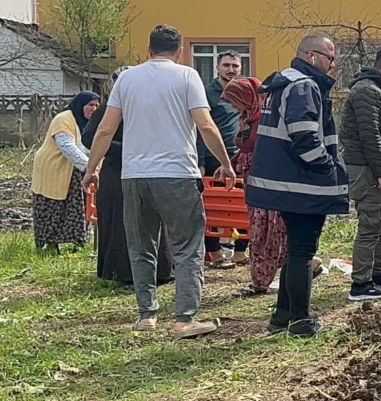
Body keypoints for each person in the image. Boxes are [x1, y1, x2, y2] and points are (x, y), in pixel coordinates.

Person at [83, 24, 237, 338]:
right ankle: (184, 319)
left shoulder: (126, 78)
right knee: (187, 248)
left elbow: (104, 130)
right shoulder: (187, 76)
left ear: (149, 49)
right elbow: (205, 125)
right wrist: (225, 162)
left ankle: (146, 315)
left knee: (141, 247)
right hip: (177, 173)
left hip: (135, 176)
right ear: (179, 51)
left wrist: (91, 168)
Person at [245, 32, 349, 336]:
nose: (333, 64)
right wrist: (327, 167)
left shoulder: (284, 84)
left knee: (296, 251)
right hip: (303, 183)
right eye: (330, 58)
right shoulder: (304, 86)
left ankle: (282, 317)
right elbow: (304, 135)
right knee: (303, 251)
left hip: (285, 182)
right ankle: (301, 322)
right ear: (312, 57)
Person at [83, 68, 174, 286]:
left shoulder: (152, 105)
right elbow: (91, 137)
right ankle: (123, 273)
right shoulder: (110, 108)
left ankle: (160, 271)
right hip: (118, 172)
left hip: (152, 168)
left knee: (154, 221)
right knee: (121, 222)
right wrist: (125, 150)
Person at [340, 46, 381, 301]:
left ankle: (377, 273)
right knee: (371, 225)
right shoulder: (366, 92)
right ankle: (361, 284)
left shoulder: (376, 91)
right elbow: (370, 138)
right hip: (367, 170)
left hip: (377, 169)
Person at [221, 77, 288, 297]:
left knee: (267, 231)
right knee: (259, 229)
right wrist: (229, 164)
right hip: (253, 180)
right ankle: (263, 277)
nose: (232, 106)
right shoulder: (247, 117)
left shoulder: (265, 119)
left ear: (246, 98)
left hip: (267, 182)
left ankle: (263, 279)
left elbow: (265, 148)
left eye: (234, 101)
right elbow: (245, 147)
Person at [31, 91, 99, 251]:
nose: (94, 108)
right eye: (90, 105)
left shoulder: (88, 123)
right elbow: (68, 146)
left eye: (97, 105)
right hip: (53, 168)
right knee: (53, 205)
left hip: (74, 169)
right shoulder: (64, 119)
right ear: (80, 105)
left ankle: (77, 242)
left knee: (77, 205)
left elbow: (86, 146)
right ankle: (50, 245)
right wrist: (90, 167)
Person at [198, 50, 246, 268]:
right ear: (218, 67)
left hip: (242, 156)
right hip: (214, 157)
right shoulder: (207, 93)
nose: (231, 70)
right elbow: (199, 129)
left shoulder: (246, 91)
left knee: (245, 205)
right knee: (213, 206)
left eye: (235, 66)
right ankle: (215, 253)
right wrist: (199, 160)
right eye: (226, 65)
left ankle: (240, 252)